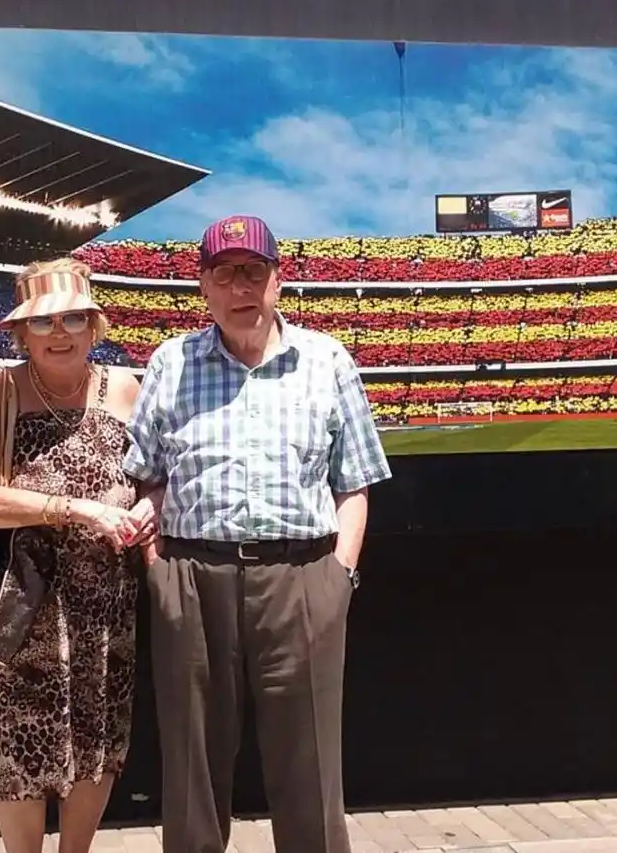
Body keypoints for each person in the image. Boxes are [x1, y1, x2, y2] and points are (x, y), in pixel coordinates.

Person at [124, 215, 393, 853]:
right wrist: (158, 572)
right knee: (191, 771)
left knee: (311, 767)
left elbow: (353, 485)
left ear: (279, 279)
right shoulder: (171, 363)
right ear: (204, 287)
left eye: (254, 271)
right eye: (225, 273)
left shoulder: (327, 361)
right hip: (191, 577)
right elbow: (146, 478)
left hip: (302, 577)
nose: (241, 286)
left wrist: (339, 576)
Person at [0, 257, 161, 853]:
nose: (61, 333)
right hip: (21, 610)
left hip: (105, 608)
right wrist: (77, 509)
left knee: (97, 745)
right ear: (22, 333)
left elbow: (154, 475)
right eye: (44, 323)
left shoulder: (125, 387)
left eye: (74, 318)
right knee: (19, 751)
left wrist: (149, 504)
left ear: (93, 325)